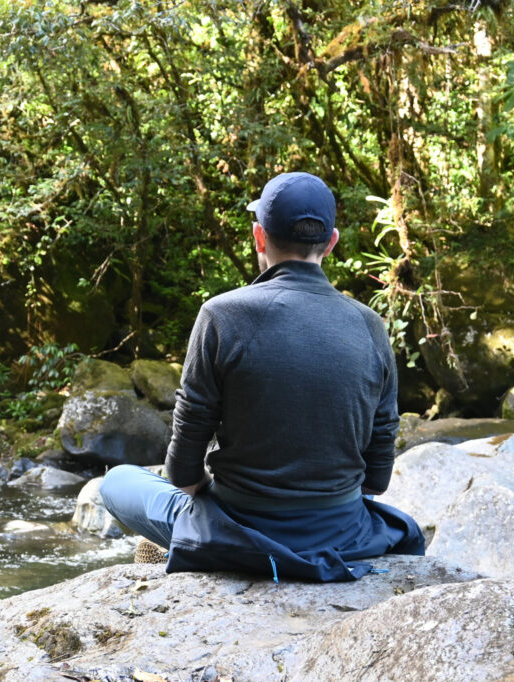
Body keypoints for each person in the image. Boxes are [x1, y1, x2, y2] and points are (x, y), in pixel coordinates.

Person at [99, 171, 424, 582]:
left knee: (117, 482)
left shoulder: (220, 315)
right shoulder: (370, 326)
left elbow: (182, 469)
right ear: (332, 243)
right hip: (343, 534)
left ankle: (177, 542)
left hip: (235, 531)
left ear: (259, 237)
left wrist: (204, 491)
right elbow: (376, 478)